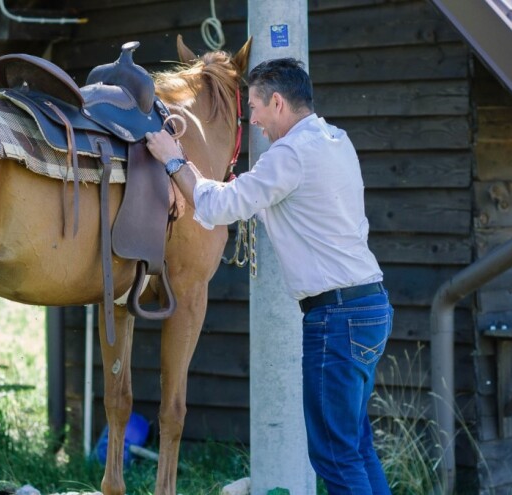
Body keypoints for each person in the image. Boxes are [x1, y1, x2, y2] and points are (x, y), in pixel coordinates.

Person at [145, 57, 393, 494]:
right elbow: (281, 198)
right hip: (369, 306)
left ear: (278, 102)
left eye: (256, 108)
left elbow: (220, 208)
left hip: (335, 317)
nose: (253, 120)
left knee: (334, 455)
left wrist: (172, 159)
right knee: (355, 445)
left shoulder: (290, 154)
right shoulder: (335, 139)